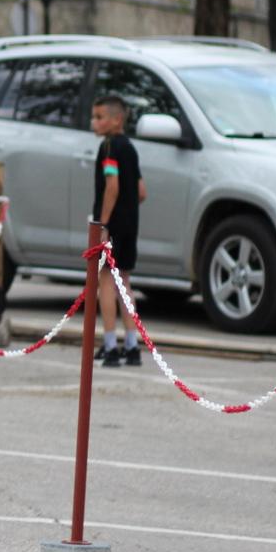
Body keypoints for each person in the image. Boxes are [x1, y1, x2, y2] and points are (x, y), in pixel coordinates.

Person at [90, 95, 147, 367]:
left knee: (105, 281)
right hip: (130, 223)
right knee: (124, 281)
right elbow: (141, 191)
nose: (95, 123)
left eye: (100, 117)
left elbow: (111, 186)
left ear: (117, 119)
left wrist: (102, 224)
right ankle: (132, 345)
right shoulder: (131, 148)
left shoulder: (110, 147)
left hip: (112, 225)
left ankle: (111, 344)